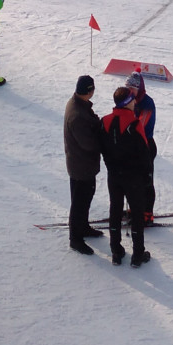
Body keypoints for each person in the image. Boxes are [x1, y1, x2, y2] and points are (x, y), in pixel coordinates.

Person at [101, 87, 157, 267]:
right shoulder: (134, 123)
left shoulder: (104, 121)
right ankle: (138, 254)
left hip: (114, 176)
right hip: (133, 178)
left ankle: (116, 251)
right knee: (137, 214)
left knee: (115, 210)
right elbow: (144, 153)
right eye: (132, 100)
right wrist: (147, 175)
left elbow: (102, 147)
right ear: (127, 103)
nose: (135, 103)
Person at [63, 75, 107, 254]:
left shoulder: (78, 104)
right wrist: (105, 141)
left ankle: (83, 227)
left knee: (84, 199)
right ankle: (75, 238)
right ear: (90, 91)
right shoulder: (78, 115)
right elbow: (89, 143)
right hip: (81, 166)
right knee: (79, 202)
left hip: (80, 164)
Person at [125, 71, 159, 225]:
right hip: (133, 147)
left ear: (140, 88)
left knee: (146, 180)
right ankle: (135, 208)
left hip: (146, 145)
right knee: (133, 181)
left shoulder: (147, 103)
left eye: (133, 88)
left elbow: (140, 125)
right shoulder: (128, 100)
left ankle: (147, 212)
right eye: (128, 87)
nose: (130, 91)